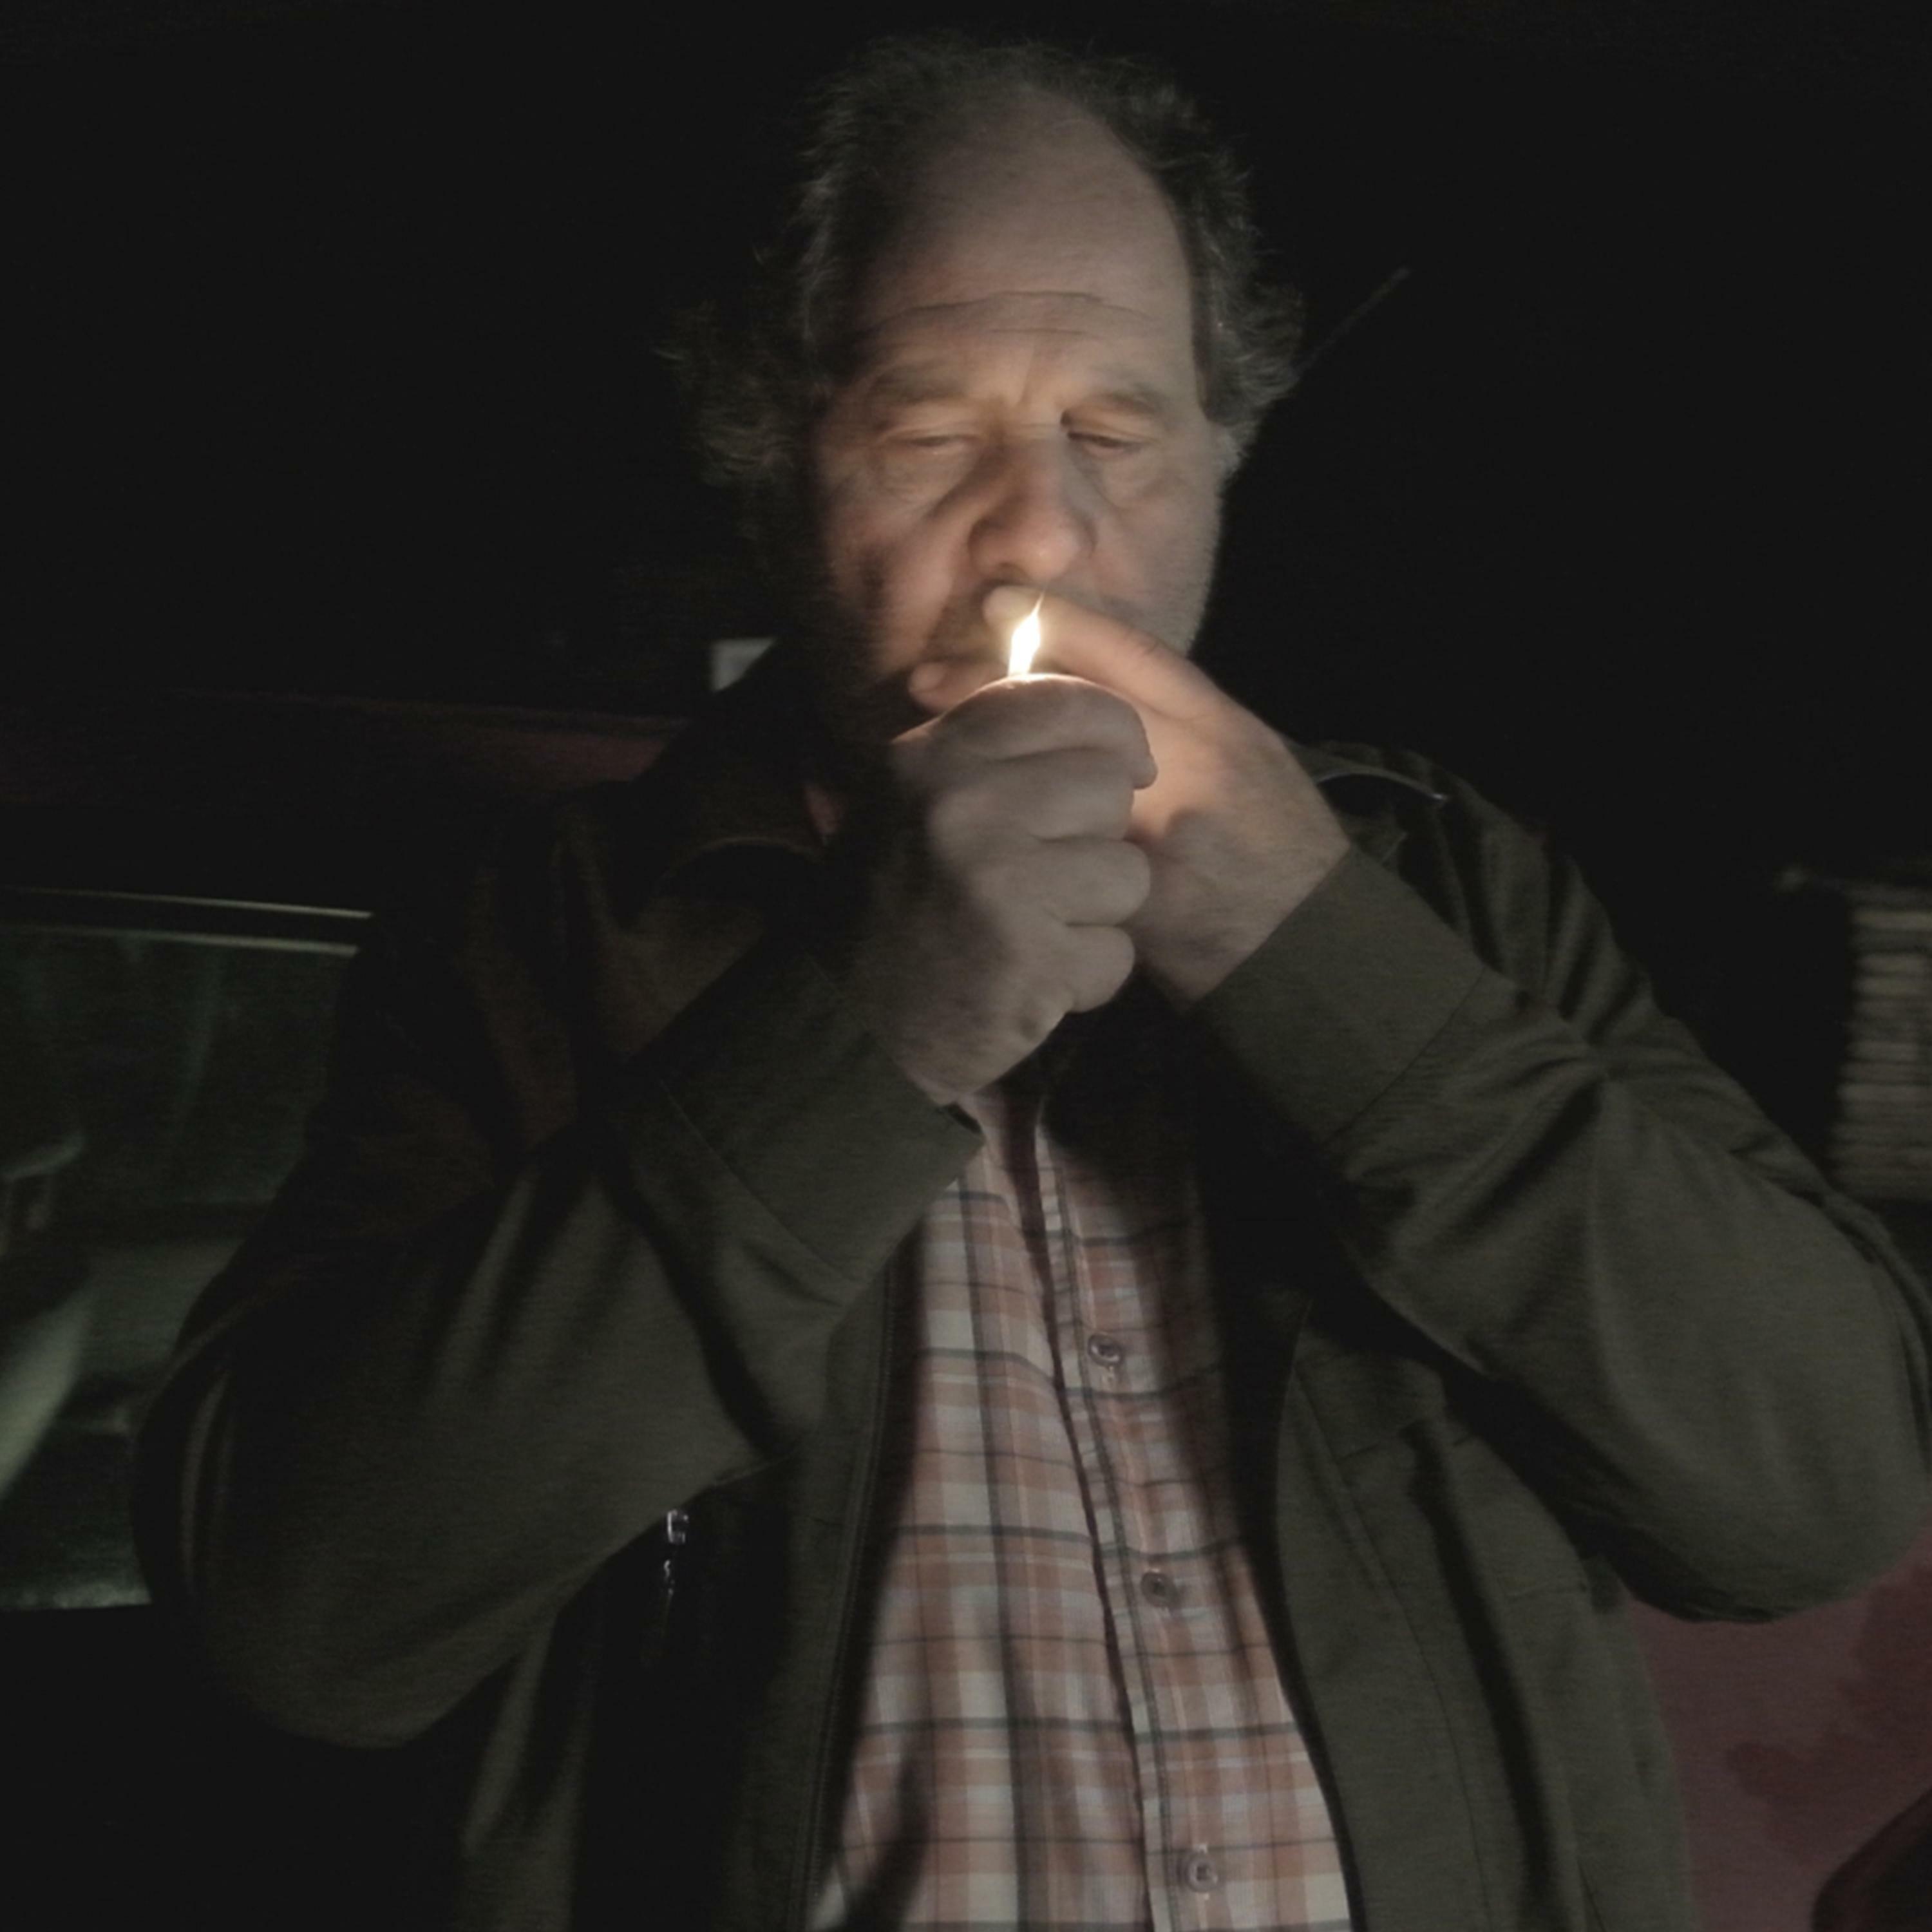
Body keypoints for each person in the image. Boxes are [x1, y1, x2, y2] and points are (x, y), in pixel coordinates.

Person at [133, 32, 1932, 1932]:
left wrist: (1318, 954)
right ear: (777, 473)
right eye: (927, 437)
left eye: (1117, 433)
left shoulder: (1449, 884)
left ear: (1225, 456)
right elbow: (307, 1627)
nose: (1043, 538)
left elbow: (1813, 1500)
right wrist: (859, 1032)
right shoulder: (558, 926)